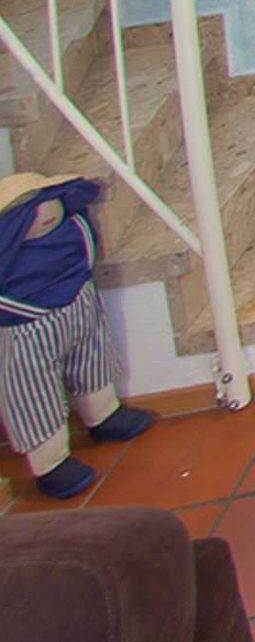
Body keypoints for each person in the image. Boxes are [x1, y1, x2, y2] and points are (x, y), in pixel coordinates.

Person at [0, 172, 153, 497]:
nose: (45, 210)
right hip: (25, 330)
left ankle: (103, 414)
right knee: (31, 391)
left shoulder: (71, 230)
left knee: (92, 360)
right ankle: (50, 462)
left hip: (78, 312)